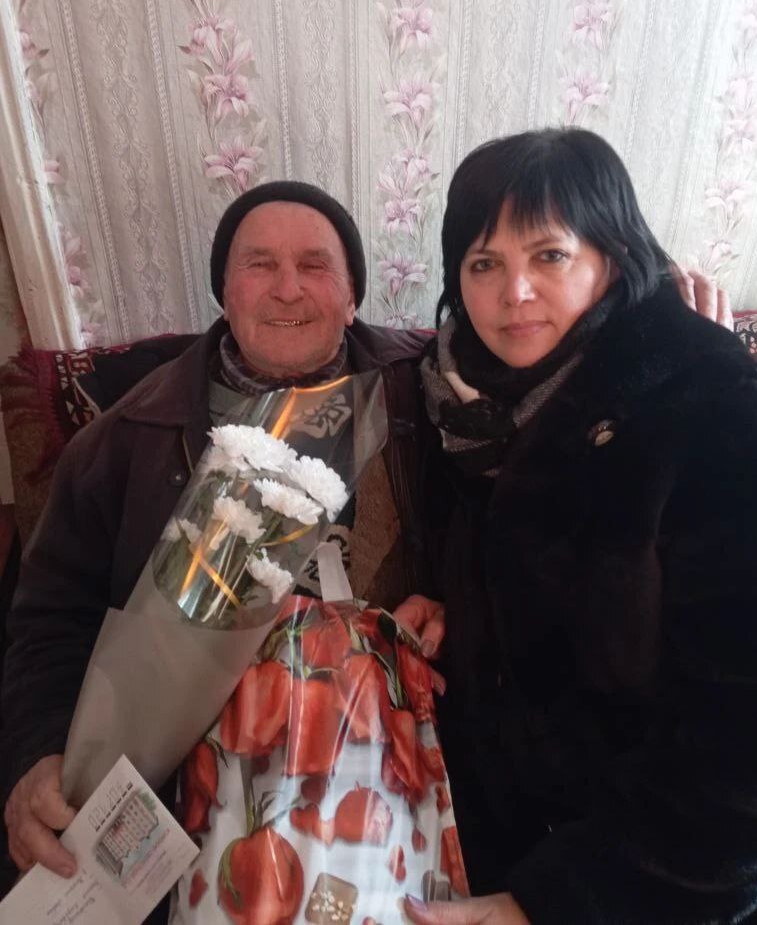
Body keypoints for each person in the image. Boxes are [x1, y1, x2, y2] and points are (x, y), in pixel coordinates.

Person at [0, 182, 433, 910]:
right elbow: (49, 618)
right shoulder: (123, 438)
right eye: (260, 265)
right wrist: (36, 753)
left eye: (315, 265)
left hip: (383, 768)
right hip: (188, 776)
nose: (288, 288)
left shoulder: (421, 401)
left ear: (353, 296)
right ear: (225, 296)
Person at [400, 128, 757, 924]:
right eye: (484, 263)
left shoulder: (710, 404)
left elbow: (746, 741)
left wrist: (556, 903)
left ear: (615, 257)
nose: (515, 292)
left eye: (550, 256)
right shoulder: (455, 405)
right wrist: (448, 607)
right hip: (491, 827)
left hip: (649, 878)